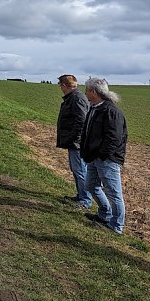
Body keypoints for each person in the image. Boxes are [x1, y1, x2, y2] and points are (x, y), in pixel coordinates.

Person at [80, 77, 128, 234]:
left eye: (87, 90)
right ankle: (104, 214)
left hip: (107, 160)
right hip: (94, 157)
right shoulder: (95, 108)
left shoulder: (111, 111)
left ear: (94, 92)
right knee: (91, 186)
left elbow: (114, 138)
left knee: (114, 193)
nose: (85, 93)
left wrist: (102, 155)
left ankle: (116, 226)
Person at [55, 74, 91, 209]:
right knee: (77, 170)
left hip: (78, 143)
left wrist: (74, 138)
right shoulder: (75, 97)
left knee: (80, 170)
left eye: (60, 85)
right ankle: (80, 195)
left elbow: (81, 121)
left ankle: (85, 200)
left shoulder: (76, 98)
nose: (60, 88)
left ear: (64, 86)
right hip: (75, 141)